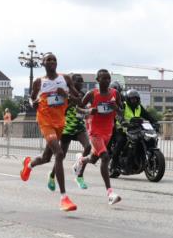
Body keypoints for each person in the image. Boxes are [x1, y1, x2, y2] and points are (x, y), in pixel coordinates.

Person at [20, 53, 82, 211]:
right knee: (59, 154)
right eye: (48, 59)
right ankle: (64, 198)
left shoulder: (65, 79)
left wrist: (66, 95)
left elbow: (78, 99)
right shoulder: (39, 82)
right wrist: (33, 102)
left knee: (47, 157)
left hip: (60, 121)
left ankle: (29, 164)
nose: (52, 61)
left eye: (54, 59)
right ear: (42, 63)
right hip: (45, 120)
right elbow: (31, 98)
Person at [77, 69, 122, 205]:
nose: (107, 81)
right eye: (104, 78)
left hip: (108, 131)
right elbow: (78, 108)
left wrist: (116, 108)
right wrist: (88, 110)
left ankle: (81, 160)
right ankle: (110, 193)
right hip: (94, 131)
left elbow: (121, 113)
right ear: (98, 80)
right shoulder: (92, 94)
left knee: (94, 158)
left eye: (108, 78)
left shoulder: (115, 94)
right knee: (105, 157)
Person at [47, 73, 91, 191]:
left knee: (88, 147)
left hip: (79, 127)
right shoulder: (65, 94)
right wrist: (69, 104)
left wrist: (87, 111)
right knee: (62, 155)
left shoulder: (82, 95)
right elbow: (59, 110)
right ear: (72, 83)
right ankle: (51, 176)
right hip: (67, 128)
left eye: (82, 81)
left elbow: (84, 111)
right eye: (78, 81)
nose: (81, 84)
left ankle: (79, 175)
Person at [108, 88, 159, 176]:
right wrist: (122, 121)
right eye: (132, 99)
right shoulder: (123, 105)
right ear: (128, 99)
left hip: (135, 130)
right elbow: (118, 115)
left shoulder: (139, 107)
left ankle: (140, 158)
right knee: (121, 142)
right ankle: (113, 164)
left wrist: (155, 122)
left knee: (145, 139)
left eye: (135, 99)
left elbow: (148, 115)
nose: (134, 100)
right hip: (122, 129)